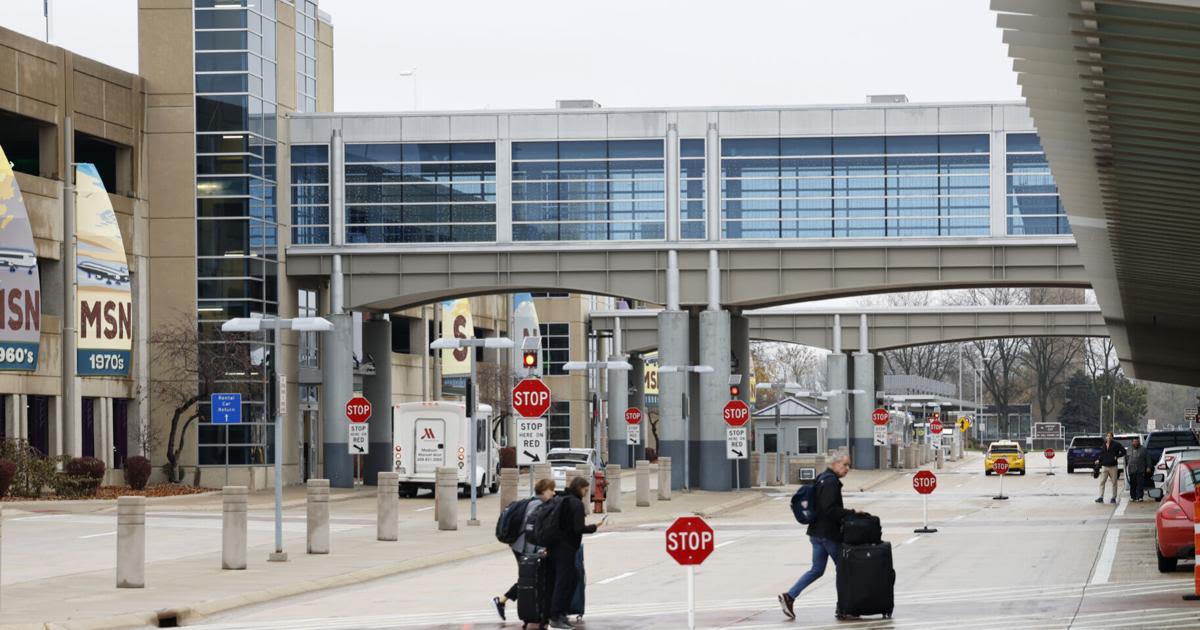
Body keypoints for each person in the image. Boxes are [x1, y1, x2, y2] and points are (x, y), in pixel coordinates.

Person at [778, 454, 857, 620]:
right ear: (835, 464)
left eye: (849, 465)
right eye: (845, 465)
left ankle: (789, 596)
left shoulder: (821, 477)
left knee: (817, 570)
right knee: (844, 570)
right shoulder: (831, 482)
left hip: (816, 533)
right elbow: (829, 510)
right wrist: (852, 513)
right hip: (828, 534)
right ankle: (844, 607)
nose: (847, 469)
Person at [492, 479, 557, 621]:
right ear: (543, 491)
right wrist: (538, 549)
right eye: (550, 490)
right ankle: (502, 601)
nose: (553, 492)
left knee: (529, 578)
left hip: (519, 545)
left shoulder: (533, 502)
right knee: (530, 578)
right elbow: (532, 529)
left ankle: (503, 601)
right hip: (524, 547)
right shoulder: (537, 505)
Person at [545, 476, 603, 629]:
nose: (585, 493)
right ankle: (556, 616)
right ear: (579, 488)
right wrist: (594, 527)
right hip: (566, 548)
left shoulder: (561, 499)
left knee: (569, 579)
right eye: (584, 489)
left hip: (554, 546)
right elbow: (578, 528)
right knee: (565, 582)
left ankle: (561, 614)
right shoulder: (576, 504)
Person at [1095, 431, 1126, 504]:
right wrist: (1098, 460)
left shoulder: (1116, 444)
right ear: (1106, 437)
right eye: (1107, 436)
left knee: (1114, 483)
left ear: (1112, 437)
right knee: (1102, 482)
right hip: (1104, 466)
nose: (1108, 437)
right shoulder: (1104, 444)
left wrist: (1117, 456)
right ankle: (1100, 497)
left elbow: (1124, 451)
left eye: (1110, 436)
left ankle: (1113, 498)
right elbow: (1102, 454)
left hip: (1113, 467)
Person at [1125, 437, 1150, 502]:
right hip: (1131, 470)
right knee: (1132, 484)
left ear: (1139, 442)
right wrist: (1126, 467)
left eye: (1137, 441)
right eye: (1134, 441)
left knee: (1140, 484)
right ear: (1132, 442)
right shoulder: (1129, 449)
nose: (1135, 443)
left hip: (1140, 469)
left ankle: (1140, 497)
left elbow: (1148, 459)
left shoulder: (1143, 449)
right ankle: (1133, 497)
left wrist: (1148, 467)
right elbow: (1126, 459)